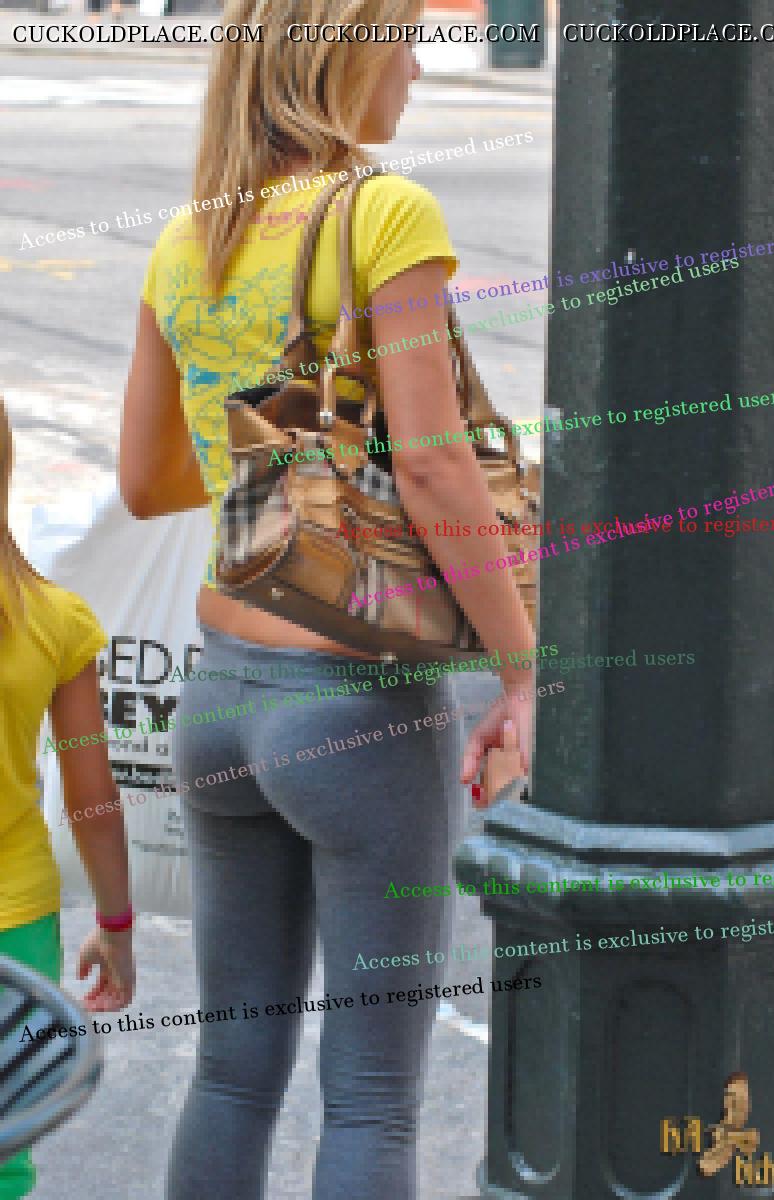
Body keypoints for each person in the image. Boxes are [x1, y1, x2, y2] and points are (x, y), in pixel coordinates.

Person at [119, 2, 534, 1195]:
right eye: (401, 37)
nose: (416, 66)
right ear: (337, 53)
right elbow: (438, 465)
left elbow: (148, 481)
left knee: (231, 1073)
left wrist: (266, 460)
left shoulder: (185, 237)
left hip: (219, 702)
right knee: (370, 1100)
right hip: (354, 707)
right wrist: (519, 672)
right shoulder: (384, 213)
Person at [0, 397, 135, 1200]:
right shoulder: (55, 620)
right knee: (5, 1144)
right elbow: (92, 798)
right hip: (14, 920)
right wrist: (116, 927)